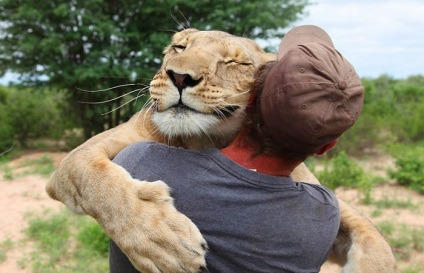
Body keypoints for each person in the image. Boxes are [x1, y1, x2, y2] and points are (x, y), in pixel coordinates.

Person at [109, 25, 364, 273]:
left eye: (236, 64)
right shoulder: (324, 214)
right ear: (327, 146)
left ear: (251, 98)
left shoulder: (140, 162)